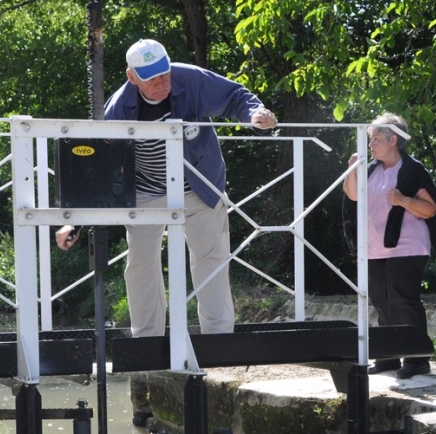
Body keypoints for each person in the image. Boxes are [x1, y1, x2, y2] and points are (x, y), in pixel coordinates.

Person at [55, 38, 277, 337]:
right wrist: (74, 220)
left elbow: (235, 95)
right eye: (151, 77)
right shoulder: (117, 108)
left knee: (211, 260)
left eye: (164, 73)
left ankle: (220, 339)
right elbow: (99, 169)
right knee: (140, 265)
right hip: (146, 190)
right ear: (132, 76)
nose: (161, 82)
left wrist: (255, 114)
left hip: (199, 185)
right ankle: (147, 340)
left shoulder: (191, 79)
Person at [342, 113, 436, 379]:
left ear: (393, 140)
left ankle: (417, 360)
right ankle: (388, 357)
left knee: (403, 301)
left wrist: (405, 201)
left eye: (375, 139)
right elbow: (352, 195)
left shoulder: (412, 169)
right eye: (370, 140)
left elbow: (430, 209)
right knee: (382, 301)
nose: (370, 145)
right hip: (374, 248)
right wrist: (352, 170)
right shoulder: (370, 169)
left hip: (408, 247)